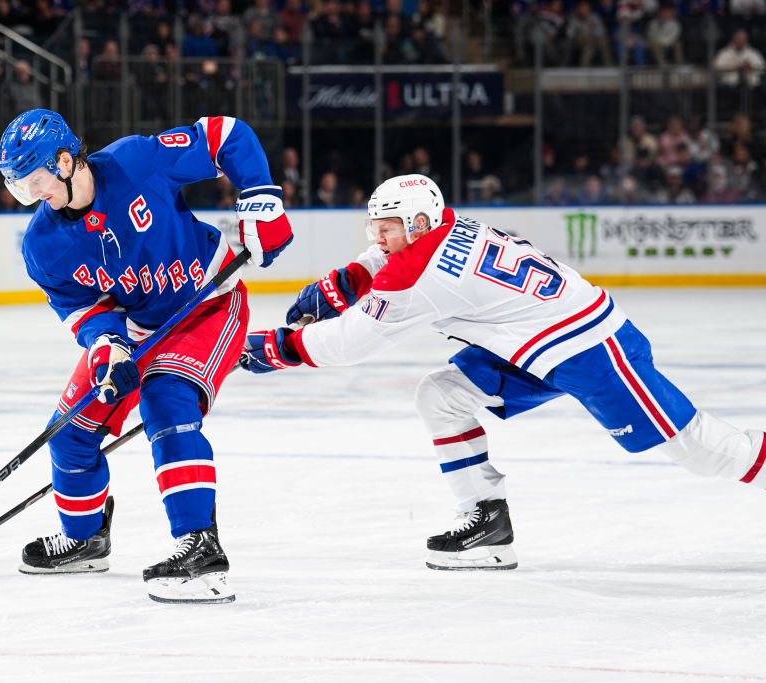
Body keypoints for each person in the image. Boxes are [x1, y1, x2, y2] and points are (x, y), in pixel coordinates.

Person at [242, 174, 766, 571]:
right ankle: (488, 522)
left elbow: (348, 344)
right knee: (442, 395)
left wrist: (274, 347)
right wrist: (345, 282)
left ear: (419, 225)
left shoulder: (418, 275)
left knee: (700, 451)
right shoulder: (444, 226)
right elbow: (382, 264)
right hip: (533, 345)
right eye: (375, 227)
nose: (380, 237)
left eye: (390, 228)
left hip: (591, 348)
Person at [0, 109, 292, 603]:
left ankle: (199, 546)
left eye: (36, 182)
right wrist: (108, 348)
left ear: (66, 161)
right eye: (20, 189)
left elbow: (224, 135)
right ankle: (85, 538)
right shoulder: (43, 245)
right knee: (69, 431)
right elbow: (83, 309)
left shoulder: (136, 162)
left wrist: (260, 200)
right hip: (137, 328)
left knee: (166, 400)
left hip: (206, 305)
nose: (33, 198)